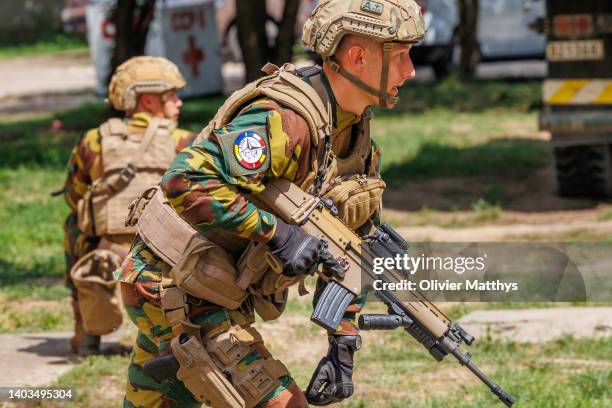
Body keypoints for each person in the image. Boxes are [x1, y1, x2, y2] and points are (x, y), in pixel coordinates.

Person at [116, 0, 425, 406]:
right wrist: (278, 234)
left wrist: (343, 343)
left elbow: (351, 251)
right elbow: (186, 179)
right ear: (357, 56)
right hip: (171, 281)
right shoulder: (284, 120)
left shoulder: (356, 138)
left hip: (212, 284)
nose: (411, 71)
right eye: (401, 56)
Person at [63, 56, 194, 356]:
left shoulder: (94, 140)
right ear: (148, 101)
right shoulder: (182, 142)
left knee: (75, 225)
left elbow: (75, 195)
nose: (179, 103)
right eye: (172, 95)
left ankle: (87, 332)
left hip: (106, 252)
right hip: (164, 255)